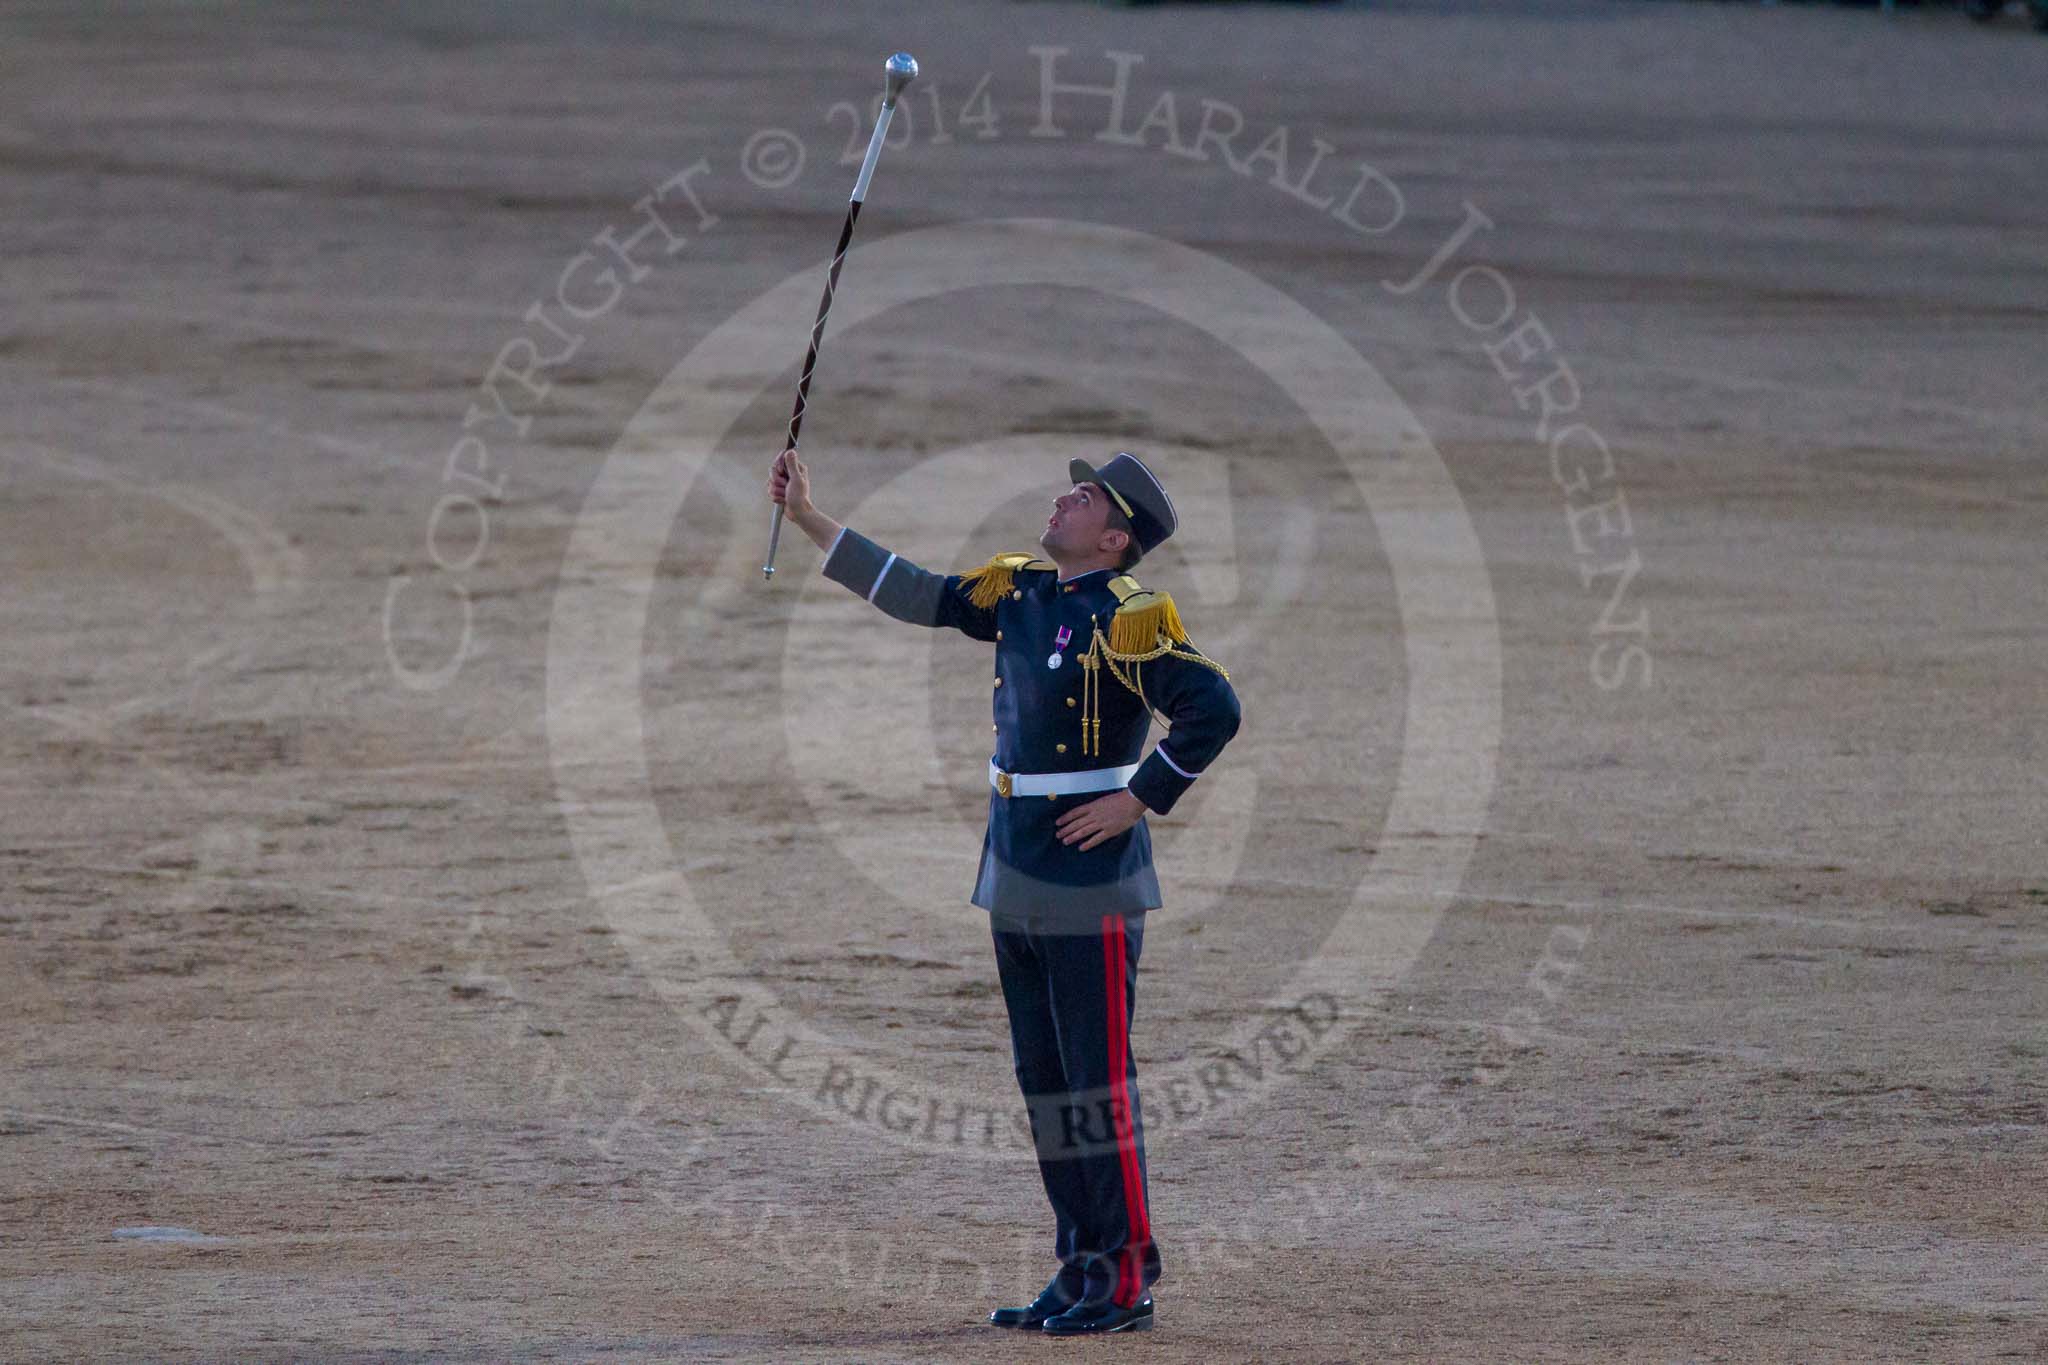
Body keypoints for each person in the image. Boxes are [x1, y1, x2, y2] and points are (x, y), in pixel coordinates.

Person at [767, 445, 1243, 1336]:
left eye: (1086, 494)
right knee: (1046, 1078)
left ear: (1112, 536)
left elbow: (1215, 707)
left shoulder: (1131, 617)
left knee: (1096, 1080)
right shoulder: (1021, 590)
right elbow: (923, 594)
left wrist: (1139, 796)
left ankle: (1128, 1273)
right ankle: (1081, 1262)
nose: (1064, 496)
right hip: (1017, 861)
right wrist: (808, 518)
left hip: (1090, 873)